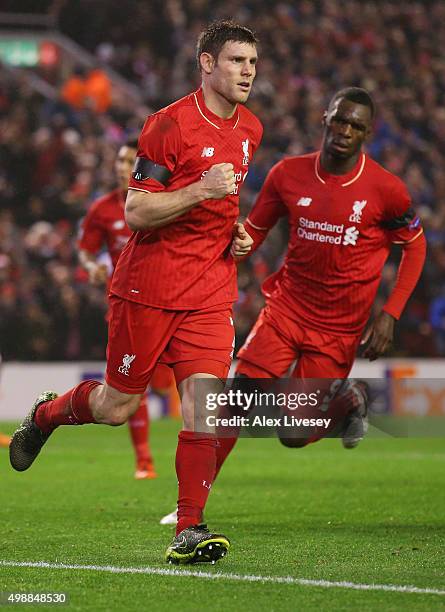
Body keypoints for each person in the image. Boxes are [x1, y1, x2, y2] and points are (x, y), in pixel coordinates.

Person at [10, 20, 262, 566]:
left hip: (211, 289)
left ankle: (189, 530)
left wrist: (234, 230)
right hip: (149, 287)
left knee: (205, 408)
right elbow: (136, 210)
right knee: (117, 406)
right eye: (237, 61)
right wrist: (201, 190)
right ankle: (48, 415)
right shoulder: (167, 126)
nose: (247, 71)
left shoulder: (251, 130)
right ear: (207, 63)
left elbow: (224, 204)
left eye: (252, 63)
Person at [213, 86, 426, 474]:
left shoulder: (386, 190)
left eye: (356, 126)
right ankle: (192, 504)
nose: (345, 130)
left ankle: (349, 400)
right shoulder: (287, 174)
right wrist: (232, 243)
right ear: (325, 119)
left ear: (367, 134)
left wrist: (390, 313)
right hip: (287, 309)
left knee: (292, 434)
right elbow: (254, 232)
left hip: (338, 328)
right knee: (238, 396)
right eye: (340, 119)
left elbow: (415, 246)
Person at [78, 138, 166, 480]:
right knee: (134, 385)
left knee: (186, 383)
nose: (121, 167)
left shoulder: (158, 202)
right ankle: (144, 459)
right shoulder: (102, 209)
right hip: (127, 306)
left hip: (169, 302)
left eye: (130, 161)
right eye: (119, 160)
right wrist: (92, 266)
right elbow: (86, 250)